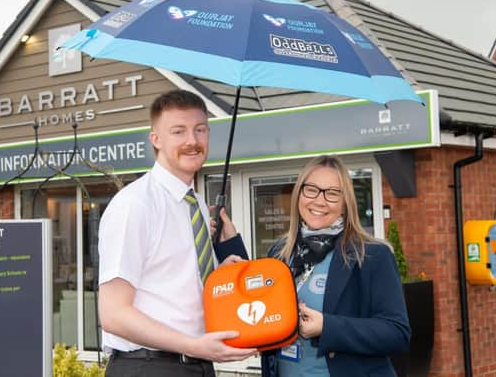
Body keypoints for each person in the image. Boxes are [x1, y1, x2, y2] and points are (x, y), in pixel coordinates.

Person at [98, 89, 256, 377]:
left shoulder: (193, 203)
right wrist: (194, 346)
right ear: (155, 139)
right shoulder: (135, 204)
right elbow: (113, 315)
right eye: (178, 131)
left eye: (200, 130)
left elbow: (174, 284)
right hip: (149, 367)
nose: (192, 141)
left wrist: (221, 272)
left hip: (195, 363)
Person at [262, 155, 410, 377]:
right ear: (299, 194)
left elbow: (397, 333)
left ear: (345, 203)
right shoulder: (280, 252)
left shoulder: (372, 255)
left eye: (332, 193)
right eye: (311, 189)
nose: (319, 201)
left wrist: (326, 327)